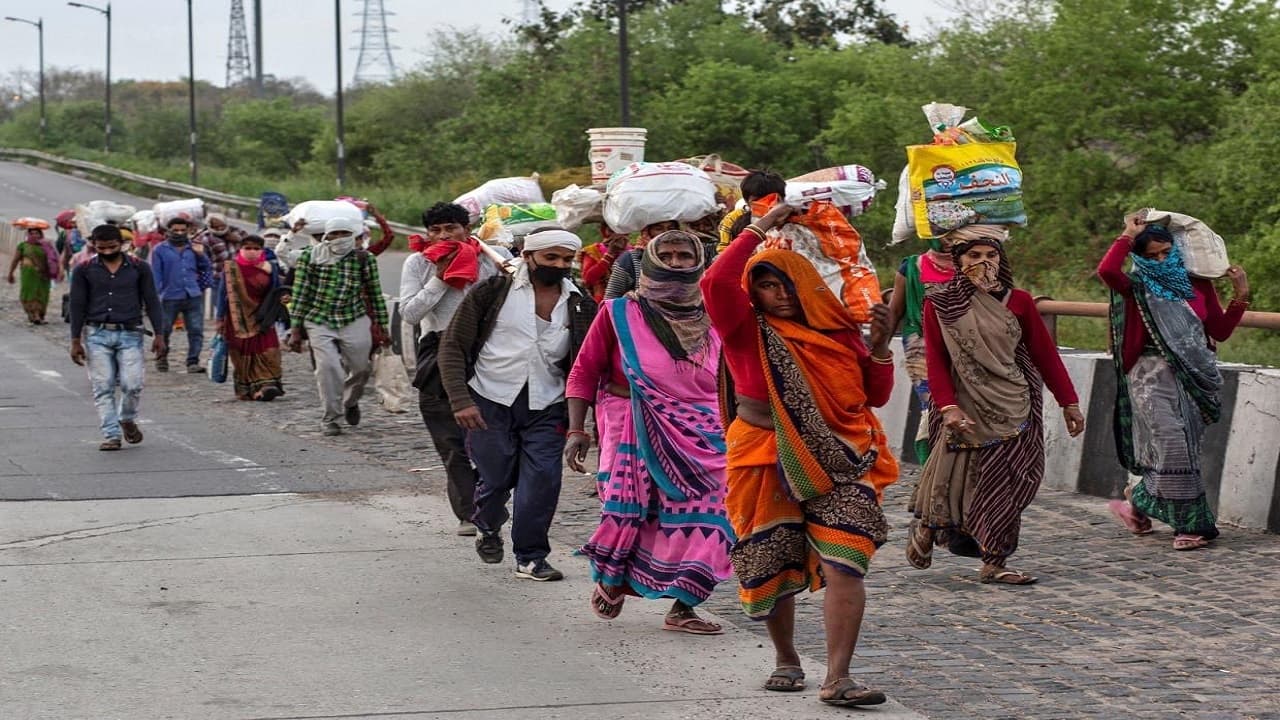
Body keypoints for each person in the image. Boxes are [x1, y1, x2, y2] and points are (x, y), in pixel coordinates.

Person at [702, 202, 899, 708]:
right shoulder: (746, 330)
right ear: (754, 292)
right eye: (766, 285)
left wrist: (879, 347)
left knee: (848, 560)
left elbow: (873, 396)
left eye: (787, 284)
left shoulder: (837, 333)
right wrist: (762, 227)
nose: (779, 294)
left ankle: (838, 677)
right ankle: (786, 659)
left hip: (841, 457)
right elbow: (715, 284)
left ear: (807, 285)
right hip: (763, 457)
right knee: (773, 559)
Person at [565, 230, 734, 634]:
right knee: (636, 511)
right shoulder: (619, 312)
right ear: (653, 262)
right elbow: (585, 369)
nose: (676, 263)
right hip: (629, 422)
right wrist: (576, 429)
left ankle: (683, 605)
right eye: (669, 255)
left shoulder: (715, 311)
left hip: (705, 429)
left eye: (684, 255)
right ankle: (613, 577)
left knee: (716, 513)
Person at [906, 226, 1085, 584]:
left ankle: (990, 554)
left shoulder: (1019, 301)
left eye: (991, 255)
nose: (984, 262)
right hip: (963, 403)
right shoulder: (940, 303)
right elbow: (938, 360)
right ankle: (950, 537)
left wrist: (1069, 402)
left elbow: (1044, 355)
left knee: (1016, 478)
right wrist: (948, 407)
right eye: (974, 256)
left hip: (1016, 403)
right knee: (956, 477)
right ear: (958, 261)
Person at [438, 228, 596, 581]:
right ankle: (487, 523)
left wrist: (581, 421)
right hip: (489, 399)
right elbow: (453, 346)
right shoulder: (492, 292)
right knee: (495, 478)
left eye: (566, 259)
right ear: (528, 257)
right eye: (550, 258)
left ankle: (531, 556)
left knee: (542, 479)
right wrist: (461, 401)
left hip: (548, 403)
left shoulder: (579, 302)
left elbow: (585, 364)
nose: (559, 265)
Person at [1099, 216, 1250, 550]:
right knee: (1172, 443)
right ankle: (1190, 526)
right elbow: (1107, 271)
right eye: (1152, 256)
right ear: (1140, 258)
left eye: (1166, 252)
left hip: (1193, 378)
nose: (1161, 260)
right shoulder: (1136, 285)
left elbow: (1220, 331)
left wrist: (1241, 295)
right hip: (1150, 377)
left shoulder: (1197, 286)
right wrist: (1127, 234)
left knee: (1185, 450)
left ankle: (1137, 501)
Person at [399, 202, 506, 537]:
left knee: (493, 434)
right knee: (450, 439)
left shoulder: (491, 256)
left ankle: (490, 497)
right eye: (436, 230)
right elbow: (411, 313)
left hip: (488, 350)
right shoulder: (418, 263)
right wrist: (440, 278)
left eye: (451, 229)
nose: (443, 236)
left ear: (466, 229)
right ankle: (468, 512)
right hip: (439, 349)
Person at [287, 216, 390, 436]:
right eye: (335, 234)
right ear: (326, 236)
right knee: (328, 367)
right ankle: (331, 417)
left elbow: (374, 292)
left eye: (345, 234)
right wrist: (295, 330)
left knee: (362, 368)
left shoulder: (364, 258)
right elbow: (300, 293)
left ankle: (350, 401)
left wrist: (383, 325)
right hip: (318, 319)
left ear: (355, 236)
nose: (340, 239)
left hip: (353, 316)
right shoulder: (310, 257)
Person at [68, 225, 166, 451]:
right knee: (103, 386)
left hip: (131, 333)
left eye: (111, 247)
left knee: (133, 384)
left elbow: (152, 301)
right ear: (94, 245)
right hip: (96, 334)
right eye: (101, 248)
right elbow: (77, 304)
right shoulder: (83, 269)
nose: (106, 251)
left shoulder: (139, 268)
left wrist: (160, 334)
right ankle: (111, 434)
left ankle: (127, 418)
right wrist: (75, 340)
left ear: (120, 244)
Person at [888, 234, 957, 464]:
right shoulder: (912, 267)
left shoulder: (977, 265)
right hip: (922, 348)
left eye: (956, 233)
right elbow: (894, 312)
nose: (949, 240)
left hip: (963, 346)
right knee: (935, 407)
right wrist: (877, 354)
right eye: (943, 233)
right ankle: (931, 466)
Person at [217, 235, 285, 402]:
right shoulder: (231, 268)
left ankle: (267, 385)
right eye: (247, 248)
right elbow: (222, 294)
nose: (252, 252)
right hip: (237, 318)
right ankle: (248, 389)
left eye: (256, 248)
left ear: (262, 250)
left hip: (263, 316)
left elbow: (276, 290)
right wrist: (219, 318)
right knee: (242, 353)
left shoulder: (269, 268)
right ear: (241, 249)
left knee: (268, 350)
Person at [150, 217, 212, 374]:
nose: (179, 233)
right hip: (169, 296)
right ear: (168, 231)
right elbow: (156, 274)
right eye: (176, 230)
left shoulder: (195, 248)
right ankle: (162, 358)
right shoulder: (159, 250)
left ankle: (193, 361)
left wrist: (201, 255)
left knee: (196, 330)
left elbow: (206, 267)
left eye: (183, 230)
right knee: (164, 330)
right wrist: (154, 296)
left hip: (193, 294)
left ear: (188, 231)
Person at [715, 169, 787, 254]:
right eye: (758, 200)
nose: (766, 204)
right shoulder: (735, 221)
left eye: (771, 199)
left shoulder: (796, 220)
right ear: (747, 202)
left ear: (781, 198)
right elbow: (724, 255)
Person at [603, 221, 679, 300]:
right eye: (658, 229)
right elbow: (610, 300)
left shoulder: (686, 257)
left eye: (671, 228)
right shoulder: (630, 259)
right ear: (646, 232)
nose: (665, 233)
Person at [8, 226, 61, 324]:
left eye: (37, 233)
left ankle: (40, 315)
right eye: (31, 233)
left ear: (41, 234)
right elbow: (15, 260)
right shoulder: (23, 246)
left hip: (43, 274)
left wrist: (57, 271)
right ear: (27, 235)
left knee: (42, 294)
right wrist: (10, 273)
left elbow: (54, 259)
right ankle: (34, 314)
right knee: (29, 293)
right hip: (28, 274)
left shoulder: (46, 246)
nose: (34, 235)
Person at [579, 224, 634, 302]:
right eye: (611, 231)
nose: (616, 235)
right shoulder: (593, 251)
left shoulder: (634, 252)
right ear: (604, 231)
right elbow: (588, 279)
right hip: (600, 302)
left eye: (622, 231)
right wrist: (609, 254)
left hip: (627, 302)